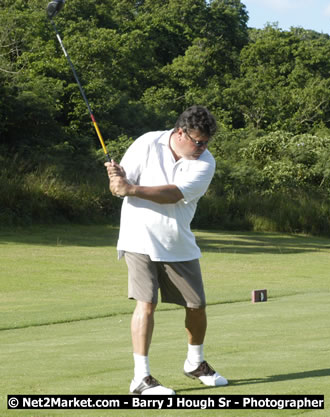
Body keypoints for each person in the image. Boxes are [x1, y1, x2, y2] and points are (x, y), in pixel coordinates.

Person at [105, 105, 227, 395]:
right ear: (180, 132)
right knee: (146, 303)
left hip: (177, 242)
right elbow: (120, 186)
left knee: (196, 305)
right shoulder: (147, 142)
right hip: (139, 237)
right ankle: (141, 378)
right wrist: (117, 182)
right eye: (198, 141)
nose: (203, 147)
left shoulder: (204, 163)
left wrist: (131, 189)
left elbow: (173, 194)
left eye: (207, 142)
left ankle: (195, 363)